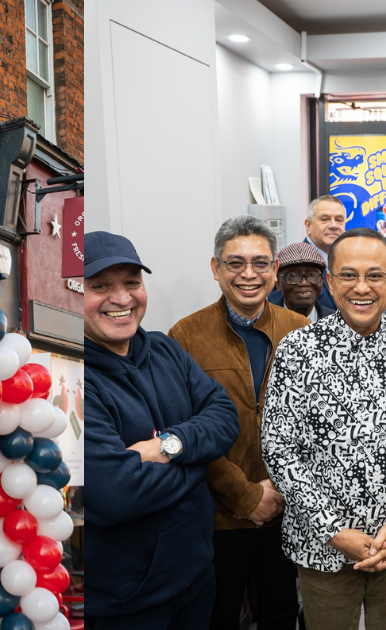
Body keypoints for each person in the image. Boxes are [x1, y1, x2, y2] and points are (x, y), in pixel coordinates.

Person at [261, 228, 386, 630]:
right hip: (322, 544)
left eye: (374, 275)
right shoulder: (298, 349)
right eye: (348, 275)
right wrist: (333, 529)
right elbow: (279, 449)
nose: (361, 287)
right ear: (330, 282)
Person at [83, 231, 241, 630]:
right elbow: (116, 494)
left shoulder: (165, 348)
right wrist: (198, 458)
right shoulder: (76, 378)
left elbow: (225, 417)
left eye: (132, 283)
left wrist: (166, 446)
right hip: (127, 602)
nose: (121, 299)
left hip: (196, 576)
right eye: (100, 286)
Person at [168, 216, 309, 630]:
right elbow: (183, 431)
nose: (249, 274)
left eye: (261, 263)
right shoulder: (186, 336)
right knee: (218, 616)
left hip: (288, 510)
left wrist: (280, 491)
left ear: (275, 271)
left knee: (281, 615)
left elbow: (315, 426)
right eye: (235, 263)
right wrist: (246, 495)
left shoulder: (300, 331)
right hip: (218, 514)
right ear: (215, 269)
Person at [271, 242, 337, 321]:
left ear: (322, 280)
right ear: (277, 282)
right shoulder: (263, 324)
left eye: (312, 275)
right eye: (293, 275)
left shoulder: (338, 324)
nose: (304, 283)